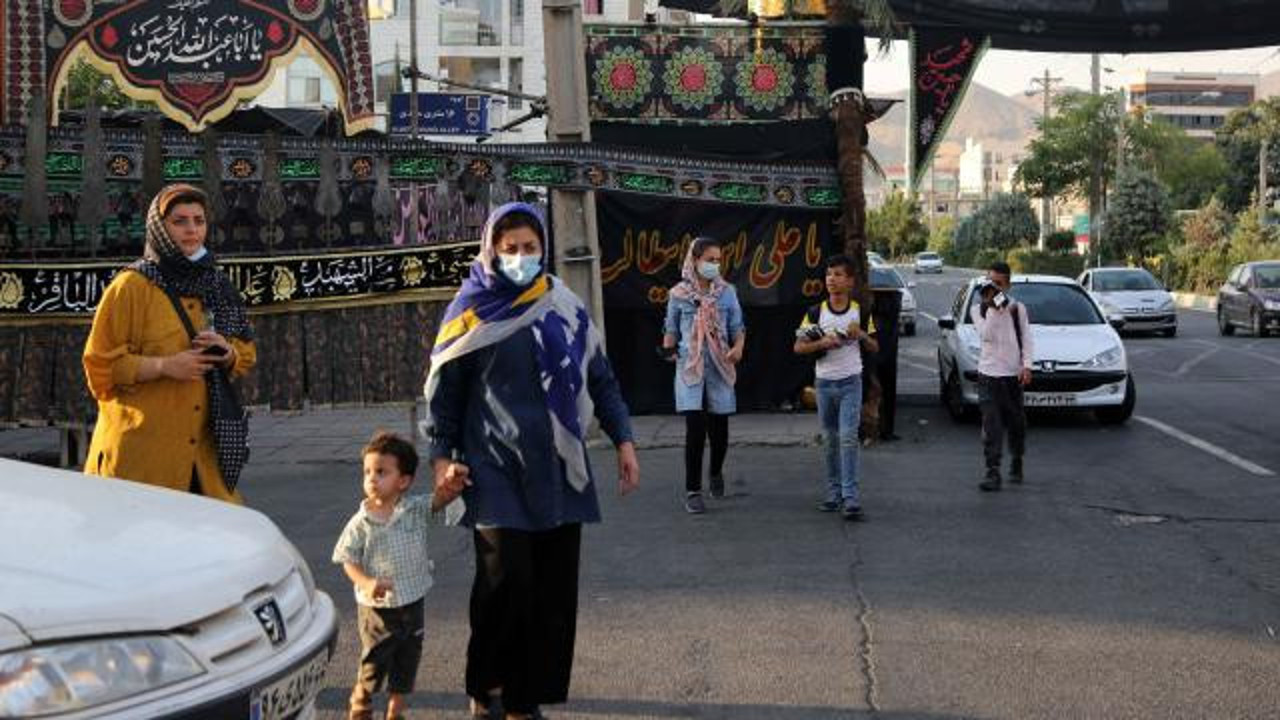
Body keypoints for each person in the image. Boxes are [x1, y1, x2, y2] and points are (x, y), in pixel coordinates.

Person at [424, 202, 640, 720]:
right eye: (511, 248)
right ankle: (486, 685)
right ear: (492, 251)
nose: (521, 257)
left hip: (558, 467)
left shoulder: (561, 303)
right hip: (492, 464)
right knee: (505, 582)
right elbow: (446, 395)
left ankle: (523, 698)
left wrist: (624, 441)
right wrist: (440, 459)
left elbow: (599, 376)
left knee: (549, 590)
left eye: (530, 247)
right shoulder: (471, 310)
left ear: (543, 248)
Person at [82, 183, 256, 501]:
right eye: (180, 221)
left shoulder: (217, 285)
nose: (192, 230)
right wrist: (164, 366)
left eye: (199, 220)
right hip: (142, 459)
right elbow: (100, 368)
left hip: (203, 458)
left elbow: (246, 352)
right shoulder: (131, 287)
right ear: (159, 227)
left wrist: (227, 352)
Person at [333, 431, 446, 720]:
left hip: (412, 600)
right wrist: (367, 583)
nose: (372, 478)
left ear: (403, 481)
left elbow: (439, 500)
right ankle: (363, 691)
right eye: (367, 471)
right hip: (377, 609)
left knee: (408, 658)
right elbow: (348, 560)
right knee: (375, 658)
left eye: (381, 472)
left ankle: (396, 708)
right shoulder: (361, 523)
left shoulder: (415, 510)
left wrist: (451, 484)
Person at [661, 236, 745, 514]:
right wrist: (668, 350)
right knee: (695, 429)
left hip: (720, 363)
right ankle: (693, 491)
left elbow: (738, 326)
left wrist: (738, 347)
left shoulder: (727, 292)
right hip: (690, 366)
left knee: (719, 429)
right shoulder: (678, 294)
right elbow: (670, 329)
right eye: (710, 260)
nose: (715, 265)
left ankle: (716, 472)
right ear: (694, 260)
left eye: (718, 260)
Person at [793, 254, 879, 521]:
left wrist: (861, 335)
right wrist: (822, 344)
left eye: (838, 275)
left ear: (850, 281)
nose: (832, 279)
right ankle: (833, 495)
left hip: (851, 382)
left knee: (848, 438)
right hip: (824, 384)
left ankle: (850, 498)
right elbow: (797, 346)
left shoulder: (860, 312)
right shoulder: (815, 312)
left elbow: (876, 347)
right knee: (830, 440)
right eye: (829, 274)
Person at [970, 261, 1033, 492]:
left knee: (1017, 424)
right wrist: (994, 308)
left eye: (998, 284)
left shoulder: (1018, 309)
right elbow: (985, 334)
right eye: (990, 283)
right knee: (991, 425)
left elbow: (1026, 339)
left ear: (1008, 285)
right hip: (988, 376)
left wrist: (1027, 366)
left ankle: (1017, 459)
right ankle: (992, 471)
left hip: (1011, 377)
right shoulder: (978, 310)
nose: (993, 288)